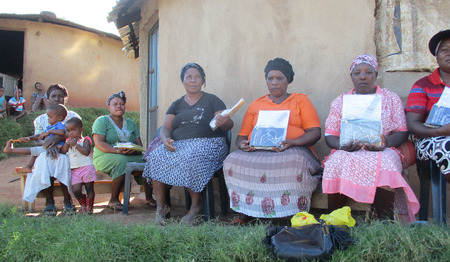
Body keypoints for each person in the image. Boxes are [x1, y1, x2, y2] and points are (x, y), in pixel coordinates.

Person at [223, 58, 322, 224]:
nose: (274, 83)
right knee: (232, 160)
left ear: (288, 80)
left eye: (280, 78)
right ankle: (247, 211)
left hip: (293, 148)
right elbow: (242, 136)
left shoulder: (300, 100)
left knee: (292, 162)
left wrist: (293, 142)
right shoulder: (257, 104)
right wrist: (242, 145)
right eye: (270, 79)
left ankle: (290, 213)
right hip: (259, 149)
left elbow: (315, 132)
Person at [322, 54, 419, 222]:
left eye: (368, 72)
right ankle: (335, 222)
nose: (363, 77)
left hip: (384, 148)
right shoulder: (340, 101)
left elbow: (402, 132)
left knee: (385, 162)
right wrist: (343, 146)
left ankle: (384, 221)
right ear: (351, 77)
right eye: (357, 73)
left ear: (376, 75)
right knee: (335, 162)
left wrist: (385, 143)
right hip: (348, 150)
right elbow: (330, 136)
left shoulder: (390, 98)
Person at [143, 62, 233, 226]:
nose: (193, 80)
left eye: (197, 77)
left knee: (191, 156)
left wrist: (223, 121)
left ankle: (195, 207)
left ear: (203, 80)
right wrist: (165, 139)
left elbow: (228, 126)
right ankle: (161, 208)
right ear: (183, 81)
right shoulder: (176, 104)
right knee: (155, 156)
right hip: (181, 144)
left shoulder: (212, 100)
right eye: (189, 77)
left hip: (211, 143)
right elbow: (166, 128)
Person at [15, 84, 81, 215]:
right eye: (54, 96)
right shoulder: (41, 119)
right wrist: (48, 144)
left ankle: (68, 201)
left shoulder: (73, 116)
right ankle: (50, 202)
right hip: (47, 150)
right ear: (48, 98)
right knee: (45, 162)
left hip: (69, 149)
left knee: (64, 162)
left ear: (65, 98)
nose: (57, 98)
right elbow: (38, 139)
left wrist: (55, 140)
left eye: (61, 96)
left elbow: (77, 135)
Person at [93, 91, 154, 211]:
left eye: (121, 104)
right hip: (105, 155)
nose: (119, 106)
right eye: (115, 104)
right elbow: (99, 143)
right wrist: (117, 151)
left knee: (149, 161)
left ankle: (149, 197)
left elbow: (139, 145)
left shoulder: (131, 123)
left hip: (129, 155)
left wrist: (134, 151)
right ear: (108, 107)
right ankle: (113, 200)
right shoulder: (101, 121)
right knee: (122, 161)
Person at [406, 29, 450, 185]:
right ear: (436, 57)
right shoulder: (423, 85)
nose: (449, 54)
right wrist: (440, 131)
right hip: (431, 140)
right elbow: (412, 125)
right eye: (444, 50)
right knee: (447, 144)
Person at [61, 117, 96, 214]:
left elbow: (86, 152)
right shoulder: (68, 141)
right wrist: (67, 144)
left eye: (73, 130)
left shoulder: (85, 140)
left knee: (89, 188)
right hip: (74, 170)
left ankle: (89, 208)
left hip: (86, 168)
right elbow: (63, 152)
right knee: (75, 190)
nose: (71, 133)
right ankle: (83, 205)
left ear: (81, 130)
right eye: (68, 131)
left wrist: (76, 145)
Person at [3, 104, 68, 155]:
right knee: (34, 153)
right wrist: (28, 138)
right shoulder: (51, 127)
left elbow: (63, 132)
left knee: (34, 151)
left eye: (50, 117)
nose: (48, 119)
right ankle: (29, 166)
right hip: (50, 146)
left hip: (57, 147)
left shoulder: (60, 124)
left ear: (59, 118)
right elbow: (40, 135)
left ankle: (11, 150)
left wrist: (49, 132)